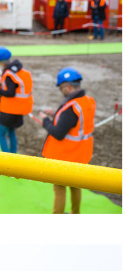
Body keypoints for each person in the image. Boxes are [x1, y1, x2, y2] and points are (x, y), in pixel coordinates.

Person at [41, 68, 95, 214]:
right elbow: (76, 124)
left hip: (65, 156)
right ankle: (75, 213)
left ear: (68, 87)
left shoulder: (71, 108)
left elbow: (58, 133)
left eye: (61, 88)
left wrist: (45, 121)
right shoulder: (87, 101)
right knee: (75, 186)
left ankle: (57, 215)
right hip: (81, 154)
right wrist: (57, 114)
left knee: (59, 188)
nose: (61, 91)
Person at [0, 47, 32, 153]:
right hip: (19, 108)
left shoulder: (9, 74)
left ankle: (6, 157)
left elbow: (10, 93)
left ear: (2, 62)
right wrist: (1, 82)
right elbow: (14, 87)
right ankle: (13, 155)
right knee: (11, 131)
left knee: (0, 134)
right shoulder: (17, 69)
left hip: (10, 110)